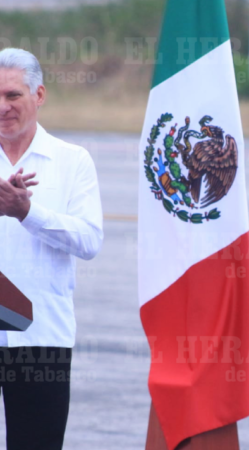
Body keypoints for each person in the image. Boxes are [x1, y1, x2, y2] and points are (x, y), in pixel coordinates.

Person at [0, 47, 103, 449]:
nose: (3, 107)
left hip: (40, 338)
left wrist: (28, 213)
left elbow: (90, 240)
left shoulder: (71, 161)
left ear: (39, 96)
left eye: (13, 95)